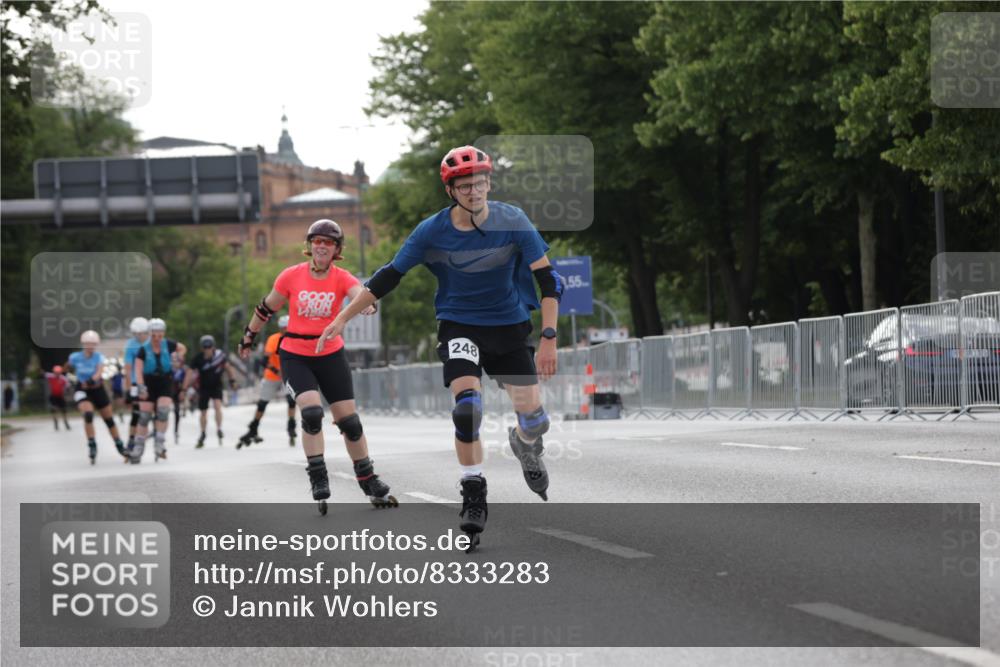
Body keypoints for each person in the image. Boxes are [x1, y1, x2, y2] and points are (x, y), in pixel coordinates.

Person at [319, 145, 564, 548]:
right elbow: (387, 276)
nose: (474, 192)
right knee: (467, 410)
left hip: (508, 327)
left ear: (489, 183)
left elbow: (549, 281)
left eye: (480, 183)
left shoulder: (513, 220)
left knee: (535, 418)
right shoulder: (432, 230)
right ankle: (473, 492)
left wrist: (549, 338)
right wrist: (342, 318)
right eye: (464, 186)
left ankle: (525, 443)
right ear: (450, 190)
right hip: (459, 327)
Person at [237, 219, 395, 514]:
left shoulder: (341, 277)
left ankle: (367, 477)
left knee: (350, 422)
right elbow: (265, 308)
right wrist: (248, 336)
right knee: (310, 412)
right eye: (317, 241)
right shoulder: (290, 276)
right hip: (295, 353)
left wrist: (368, 305)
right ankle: (318, 474)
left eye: (329, 243)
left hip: (330, 353)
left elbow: (359, 294)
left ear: (337, 250)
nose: (322, 246)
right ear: (309, 246)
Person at [65, 331, 128, 464]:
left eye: (93, 344)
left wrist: (92, 380)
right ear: (83, 344)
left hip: (97, 389)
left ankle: (119, 445)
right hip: (82, 390)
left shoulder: (98, 357)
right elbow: (67, 368)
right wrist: (69, 376)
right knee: (88, 415)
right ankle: (92, 444)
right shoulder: (75, 357)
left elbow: (99, 371)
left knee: (109, 420)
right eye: (88, 344)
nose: (90, 347)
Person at [131, 318, 187, 463]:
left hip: (165, 381)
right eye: (154, 335)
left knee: (163, 412)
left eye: (160, 335)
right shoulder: (143, 349)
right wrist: (141, 386)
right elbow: (138, 369)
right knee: (144, 416)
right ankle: (139, 446)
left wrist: (178, 357)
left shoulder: (168, 344)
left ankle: (159, 442)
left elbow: (182, 348)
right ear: (150, 334)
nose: (157, 338)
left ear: (163, 334)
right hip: (148, 382)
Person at [239, 314, 297, 448]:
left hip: (287, 375)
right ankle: (254, 426)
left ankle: (291, 426)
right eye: (284, 328)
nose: (286, 331)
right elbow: (264, 361)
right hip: (272, 375)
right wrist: (276, 371)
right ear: (280, 328)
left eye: (288, 328)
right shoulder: (274, 339)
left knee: (291, 401)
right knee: (262, 403)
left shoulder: (294, 339)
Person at [185, 334, 236, 448]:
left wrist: (232, 380)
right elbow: (189, 372)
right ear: (201, 348)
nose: (207, 349)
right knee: (203, 412)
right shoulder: (197, 358)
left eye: (209, 347)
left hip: (217, 386)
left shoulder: (220, 356)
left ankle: (219, 428)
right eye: (205, 347)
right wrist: (185, 387)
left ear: (213, 347)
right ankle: (203, 432)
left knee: (218, 406)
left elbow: (228, 368)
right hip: (203, 388)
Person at [123, 317, 150, 451]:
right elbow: (128, 368)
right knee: (136, 413)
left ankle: (153, 431)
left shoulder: (153, 342)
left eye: (141, 333)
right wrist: (128, 389)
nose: (139, 336)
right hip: (136, 382)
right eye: (136, 334)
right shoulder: (131, 345)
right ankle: (131, 440)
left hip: (151, 381)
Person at [44, 365, 72, 431]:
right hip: (53, 395)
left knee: (64, 410)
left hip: (61, 396)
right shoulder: (50, 376)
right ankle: (55, 421)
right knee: (53, 409)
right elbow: (44, 374)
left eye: (58, 373)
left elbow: (68, 386)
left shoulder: (63, 378)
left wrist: (67, 392)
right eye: (56, 373)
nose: (57, 374)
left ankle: (65, 422)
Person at [170, 355, 187, 444]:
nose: (175, 364)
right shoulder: (169, 371)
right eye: (174, 362)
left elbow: (185, 382)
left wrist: (183, 391)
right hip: (169, 391)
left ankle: (176, 431)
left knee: (176, 411)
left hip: (178, 391)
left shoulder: (182, 371)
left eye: (177, 362)